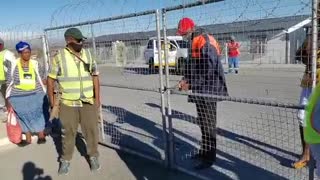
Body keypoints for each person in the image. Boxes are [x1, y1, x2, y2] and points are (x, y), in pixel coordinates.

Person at [47, 28, 101, 175]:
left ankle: (93, 157)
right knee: (68, 132)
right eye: (78, 40)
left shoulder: (89, 55)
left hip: (87, 101)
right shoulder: (59, 57)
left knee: (91, 131)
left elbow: (95, 76)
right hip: (68, 103)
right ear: (69, 40)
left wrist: (97, 99)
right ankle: (65, 160)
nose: (81, 42)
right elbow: (50, 80)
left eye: (82, 39)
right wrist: (52, 102)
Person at [177, 17, 228, 169]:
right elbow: (192, 65)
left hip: (210, 89)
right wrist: (185, 79)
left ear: (191, 29)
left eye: (184, 32)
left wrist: (190, 83)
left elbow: (209, 68)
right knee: (203, 123)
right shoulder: (193, 40)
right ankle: (204, 151)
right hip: (200, 88)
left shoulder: (204, 40)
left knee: (209, 125)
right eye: (182, 33)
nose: (183, 35)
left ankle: (210, 158)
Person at [6, 41, 48, 146]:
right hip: (18, 96)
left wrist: (45, 83)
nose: (27, 54)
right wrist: (9, 96)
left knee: (38, 114)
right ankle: (28, 137)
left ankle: (41, 135)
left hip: (35, 94)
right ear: (20, 53)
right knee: (23, 116)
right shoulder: (13, 64)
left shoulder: (35, 64)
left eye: (28, 52)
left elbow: (42, 77)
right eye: (25, 52)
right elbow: (9, 80)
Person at [0, 38, 16, 117]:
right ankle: (5, 111)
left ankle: (11, 112)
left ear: (2, 45)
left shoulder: (8, 54)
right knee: (2, 97)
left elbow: (13, 66)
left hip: (7, 79)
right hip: (0, 80)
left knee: (9, 96)